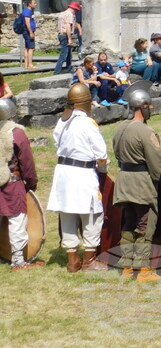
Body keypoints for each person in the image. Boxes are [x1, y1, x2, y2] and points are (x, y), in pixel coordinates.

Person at [46, 83, 108, 272]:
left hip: (63, 173)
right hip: (83, 173)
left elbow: (57, 141)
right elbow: (101, 154)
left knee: (67, 214)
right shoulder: (88, 124)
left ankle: (72, 260)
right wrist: (103, 173)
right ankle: (89, 260)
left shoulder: (63, 121)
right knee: (91, 215)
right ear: (86, 102)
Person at [112, 88, 161, 281]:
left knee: (129, 222)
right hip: (141, 181)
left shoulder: (119, 128)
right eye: (149, 105)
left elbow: (116, 154)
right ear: (142, 107)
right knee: (144, 224)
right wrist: (160, 180)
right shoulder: (146, 131)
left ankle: (126, 265)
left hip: (124, 179)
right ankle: (142, 269)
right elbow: (156, 162)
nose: (150, 108)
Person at [0, 97, 42, 270]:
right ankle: (18, 261)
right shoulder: (16, 133)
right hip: (11, 184)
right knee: (17, 220)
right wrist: (31, 183)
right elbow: (27, 162)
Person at [54, 1, 82, 74]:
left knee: (69, 54)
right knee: (64, 54)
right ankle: (57, 71)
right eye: (76, 10)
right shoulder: (70, 15)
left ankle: (69, 68)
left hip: (60, 34)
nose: (76, 12)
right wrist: (69, 38)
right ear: (74, 9)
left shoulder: (62, 13)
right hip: (65, 35)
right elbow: (68, 27)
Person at [18, 0, 37, 70]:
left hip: (27, 32)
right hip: (28, 32)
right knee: (31, 48)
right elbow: (27, 22)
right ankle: (30, 65)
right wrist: (31, 32)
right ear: (29, 4)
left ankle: (26, 65)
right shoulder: (27, 11)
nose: (36, 4)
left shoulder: (28, 11)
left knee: (27, 48)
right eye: (34, 3)